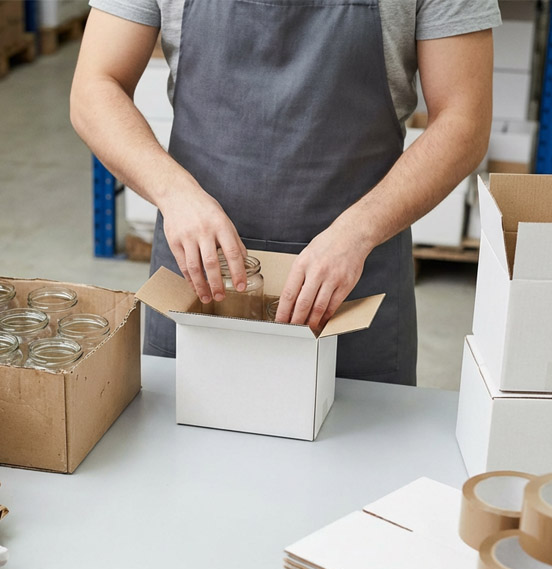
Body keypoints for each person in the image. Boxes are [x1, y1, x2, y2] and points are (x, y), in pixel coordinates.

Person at [70, 0, 500, 385]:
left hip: (352, 285)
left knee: (355, 465)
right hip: (198, 284)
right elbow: (95, 88)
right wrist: (173, 192)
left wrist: (360, 231)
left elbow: (464, 121)